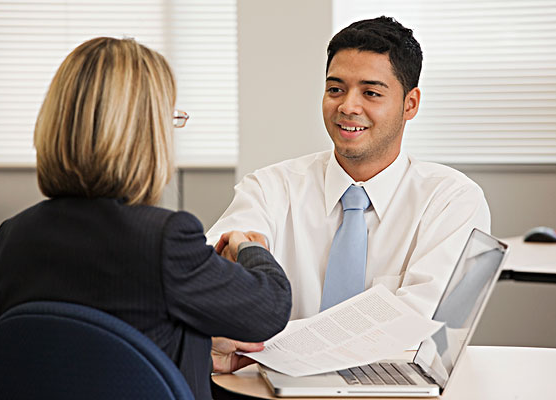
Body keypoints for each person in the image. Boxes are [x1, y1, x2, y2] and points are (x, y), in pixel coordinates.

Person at [0, 37, 291, 400]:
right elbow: (271, 309)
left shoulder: (13, 238)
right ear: (146, 135)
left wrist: (200, 351)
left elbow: (79, 357)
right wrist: (248, 249)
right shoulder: (163, 238)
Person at [208, 16, 490, 321]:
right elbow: (205, 279)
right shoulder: (269, 189)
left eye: (370, 93)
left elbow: (420, 325)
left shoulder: (452, 201)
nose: (347, 107)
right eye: (335, 90)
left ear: (410, 104)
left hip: (391, 367)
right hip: (275, 369)